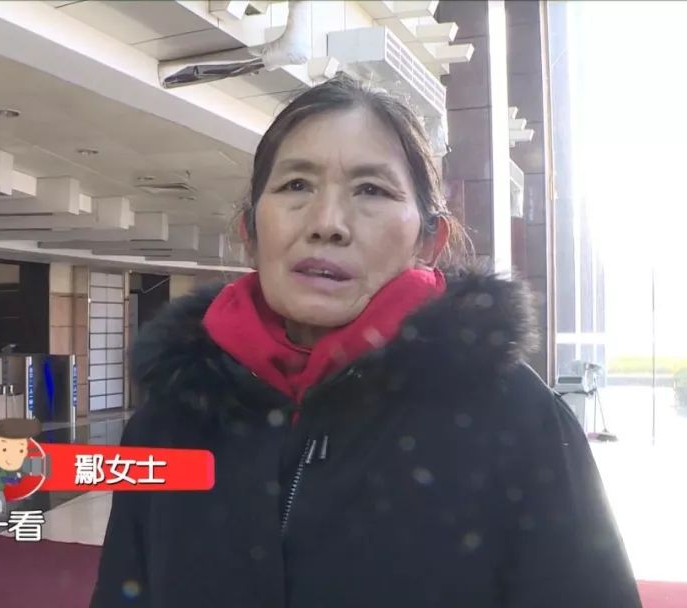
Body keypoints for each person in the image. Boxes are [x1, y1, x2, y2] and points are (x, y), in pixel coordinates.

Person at [92, 74, 641, 607]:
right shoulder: (167, 423)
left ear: (429, 240)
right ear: (250, 231)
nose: (327, 223)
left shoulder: (516, 419)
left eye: (371, 190)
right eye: (296, 185)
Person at [0, 417, 42, 516]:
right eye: (4, 449)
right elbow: (8, 480)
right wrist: (17, 479)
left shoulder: (25, 464)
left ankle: (0, 510)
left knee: (0, 500)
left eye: (20, 450)